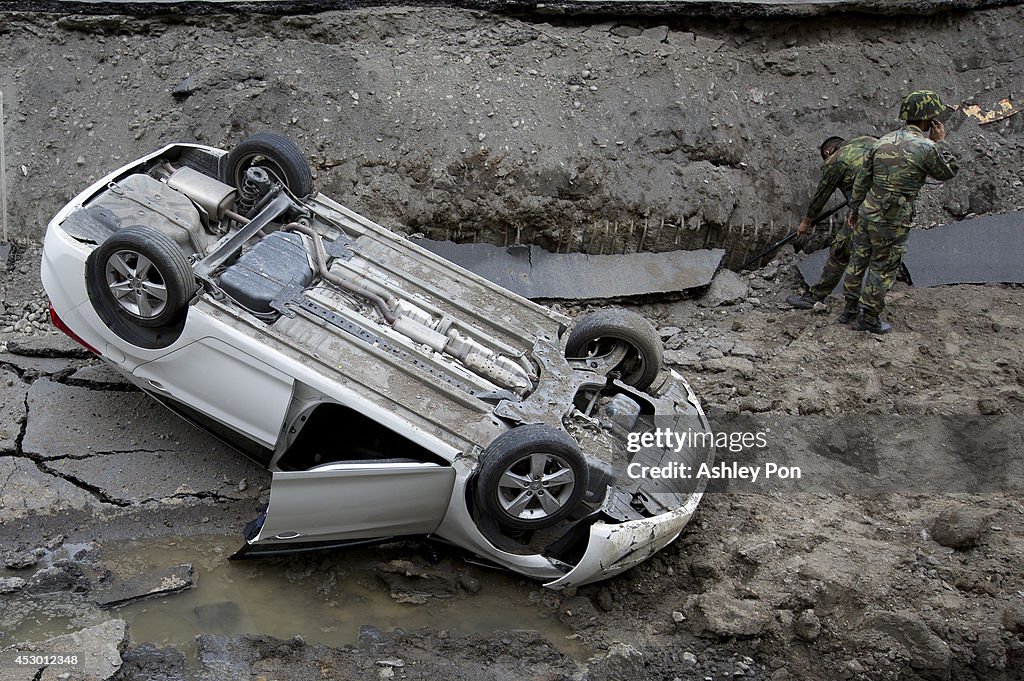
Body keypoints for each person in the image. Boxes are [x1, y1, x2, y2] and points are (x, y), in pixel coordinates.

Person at [841, 90, 959, 334]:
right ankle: (869, 317)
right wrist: (941, 143)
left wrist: (854, 209)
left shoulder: (882, 141)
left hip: (867, 210)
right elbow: (948, 172)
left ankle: (848, 310)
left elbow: (863, 179)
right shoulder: (926, 147)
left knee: (858, 259)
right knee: (883, 266)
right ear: (928, 120)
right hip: (893, 219)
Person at [786, 134, 877, 316]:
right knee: (882, 256)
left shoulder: (836, 160)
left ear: (828, 152)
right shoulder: (869, 141)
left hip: (866, 211)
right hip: (896, 207)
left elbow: (822, 194)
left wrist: (806, 222)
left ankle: (816, 297)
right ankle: (873, 306)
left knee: (841, 250)